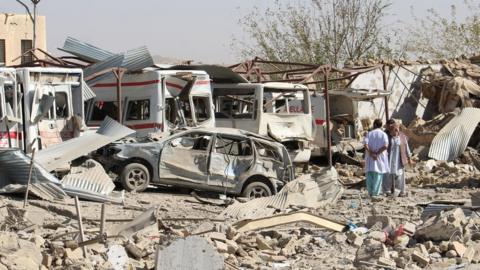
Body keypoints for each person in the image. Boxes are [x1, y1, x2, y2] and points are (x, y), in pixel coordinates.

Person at [383, 120, 412, 197]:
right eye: (394, 130)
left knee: (400, 175)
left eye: (397, 129)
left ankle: (400, 191)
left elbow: (406, 147)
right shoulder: (386, 136)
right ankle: (387, 191)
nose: (396, 131)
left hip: (399, 159)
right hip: (389, 159)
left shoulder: (402, 136)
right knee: (387, 175)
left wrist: (409, 158)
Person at [364, 119, 389, 198]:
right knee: (378, 176)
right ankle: (375, 194)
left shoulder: (369, 134)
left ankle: (370, 193)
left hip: (370, 158)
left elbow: (365, 145)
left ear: (374, 124)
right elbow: (385, 146)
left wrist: (371, 153)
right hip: (379, 158)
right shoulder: (384, 134)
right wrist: (377, 154)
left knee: (369, 175)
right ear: (381, 125)